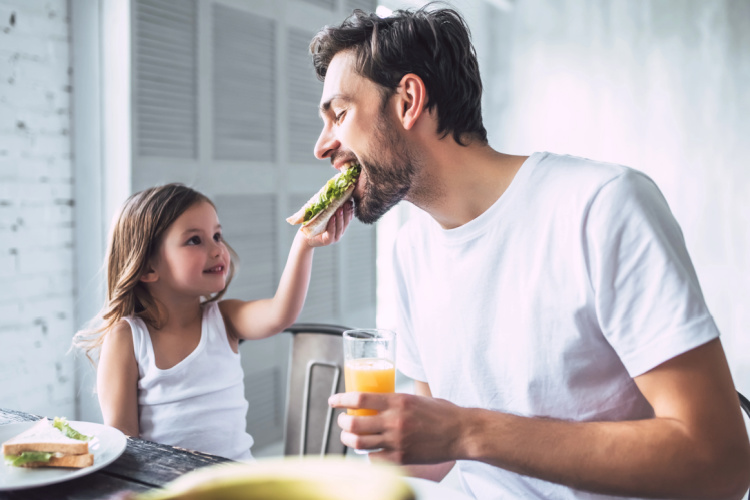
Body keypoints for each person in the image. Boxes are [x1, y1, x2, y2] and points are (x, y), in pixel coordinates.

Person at [313, 5, 750, 499]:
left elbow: (721, 463)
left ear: (409, 100)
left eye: (339, 114)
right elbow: (440, 452)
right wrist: (394, 439)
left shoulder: (601, 206)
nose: (322, 146)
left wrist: (466, 430)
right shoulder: (411, 251)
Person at [74, 183, 352, 461]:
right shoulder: (127, 337)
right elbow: (124, 442)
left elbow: (281, 313)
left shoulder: (225, 319)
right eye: (195, 240)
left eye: (217, 235)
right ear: (148, 267)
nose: (218, 249)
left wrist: (304, 243)